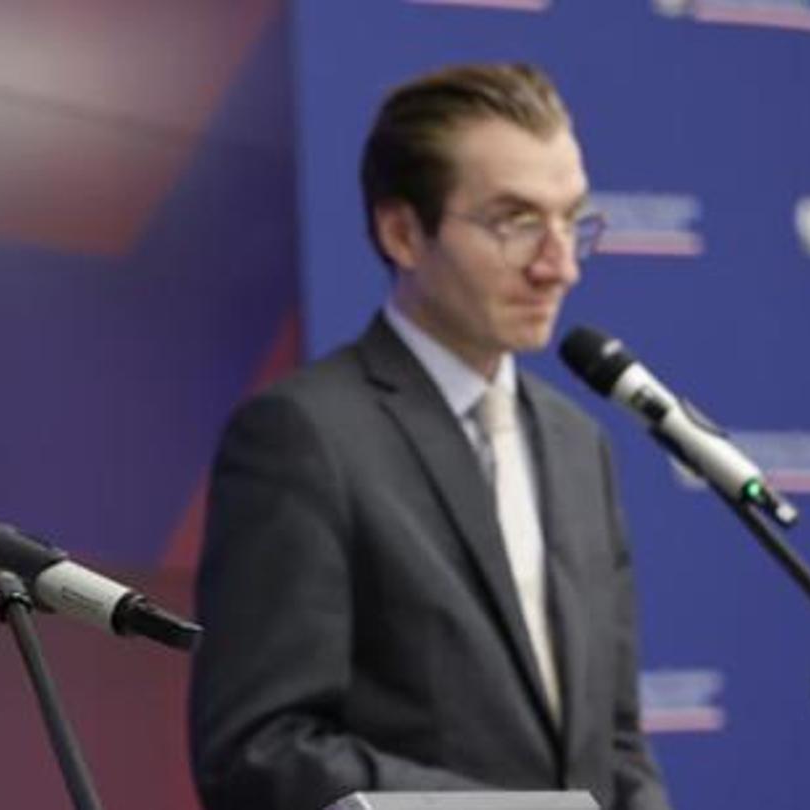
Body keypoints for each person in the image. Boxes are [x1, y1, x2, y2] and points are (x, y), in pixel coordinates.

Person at [189, 64, 672, 810]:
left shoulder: (580, 445)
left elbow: (615, 745)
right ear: (402, 232)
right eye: (517, 223)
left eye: (573, 220)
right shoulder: (303, 437)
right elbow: (260, 752)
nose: (560, 266)